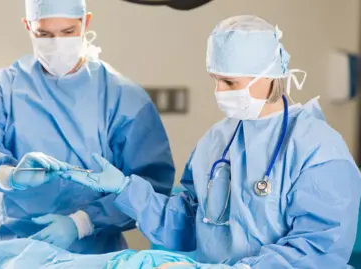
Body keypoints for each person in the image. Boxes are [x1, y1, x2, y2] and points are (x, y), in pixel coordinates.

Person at [61, 15, 361, 268]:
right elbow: (189, 223)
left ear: (269, 75)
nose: (219, 90)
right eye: (215, 79)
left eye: (230, 82)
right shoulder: (217, 140)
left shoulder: (318, 148)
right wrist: (127, 190)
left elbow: (320, 247)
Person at [0, 0, 175, 255]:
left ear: (86, 23)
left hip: (95, 254)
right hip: (16, 251)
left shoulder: (123, 96)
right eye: (44, 34)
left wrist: (83, 222)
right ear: (28, 26)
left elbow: (150, 188)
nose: (57, 43)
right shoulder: (5, 87)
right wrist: (8, 174)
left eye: (68, 32)